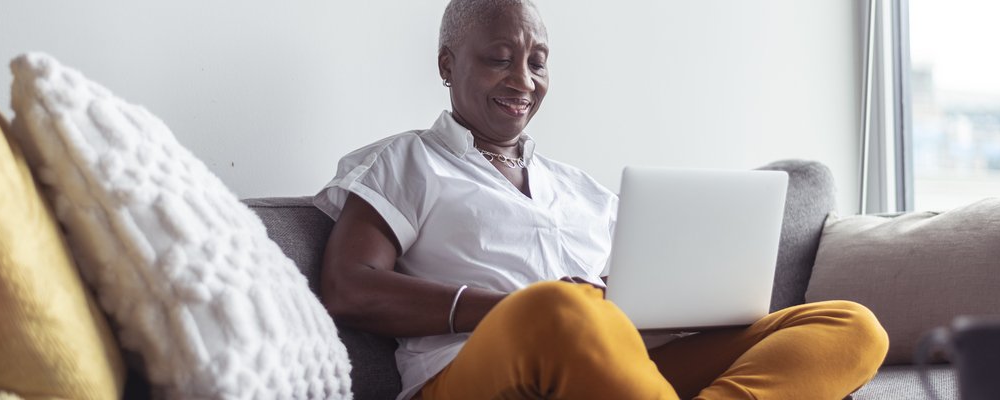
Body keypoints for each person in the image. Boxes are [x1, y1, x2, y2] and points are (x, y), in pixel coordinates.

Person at [312, 1, 889, 399]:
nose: (523, 79)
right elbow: (348, 286)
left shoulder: (581, 189)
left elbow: (633, 299)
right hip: (477, 373)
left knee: (851, 324)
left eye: (537, 61)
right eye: (498, 58)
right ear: (447, 64)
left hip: (617, 366)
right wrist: (509, 308)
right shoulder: (406, 161)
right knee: (559, 311)